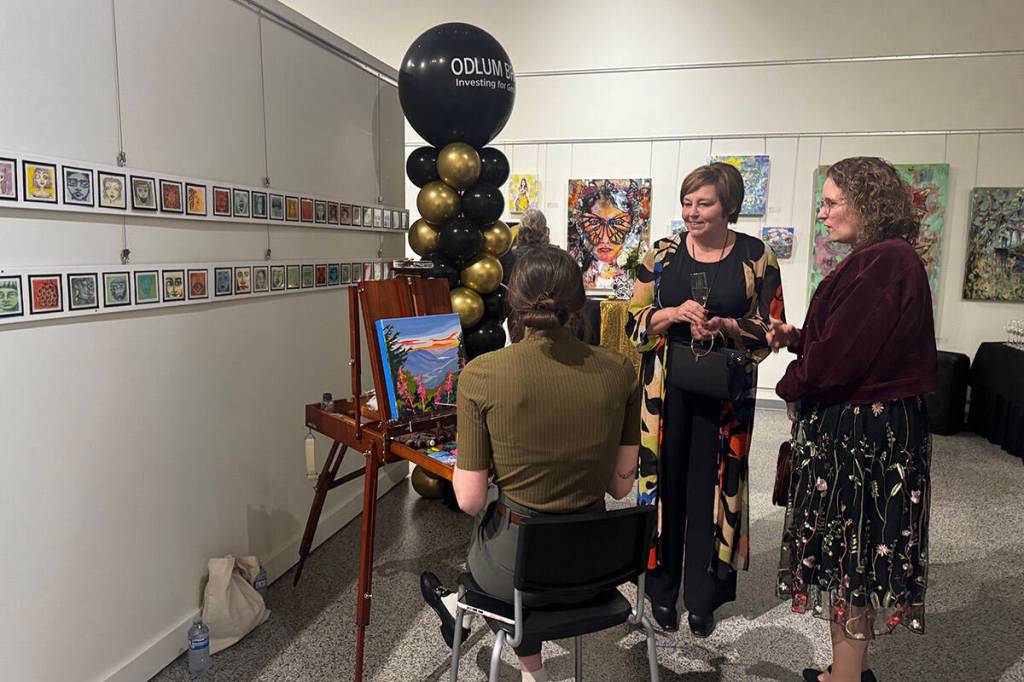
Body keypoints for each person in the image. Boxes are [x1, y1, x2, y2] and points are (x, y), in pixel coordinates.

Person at [420, 245, 641, 682]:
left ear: (511, 303)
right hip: (599, 568)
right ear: (580, 303)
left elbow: (467, 500)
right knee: (517, 546)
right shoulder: (620, 371)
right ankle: (475, 623)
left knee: (496, 541)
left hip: (517, 570)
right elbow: (620, 489)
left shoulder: (482, 375)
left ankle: (477, 624)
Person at [770, 157, 937, 682]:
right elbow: (852, 338)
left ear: (868, 204)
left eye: (832, 202)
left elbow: (841, 358)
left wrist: (790, 382)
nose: (822, 214)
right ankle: (845, 672)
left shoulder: (885, 261)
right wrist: (797, 338)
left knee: (851, 552)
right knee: (855, 554)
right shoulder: (882, 259)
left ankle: (844, 677)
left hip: (863, 435)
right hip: (866, 428)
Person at [625, 162, 785, 636]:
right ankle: (661, 589)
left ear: (729, 207)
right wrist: (670, 313)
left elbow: (772, 329)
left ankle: (703, 597)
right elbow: (632, 320)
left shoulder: (758, 257)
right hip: (664, 392)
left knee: (714, 489)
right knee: (664, 484)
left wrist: (729, 326)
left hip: (725, 395)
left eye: (704, 203)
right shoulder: (661, 254)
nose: (692, 213)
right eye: (687, 202)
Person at [499, 208, 549, 286]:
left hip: (517, 297)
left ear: (520, 230)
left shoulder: (509, 257)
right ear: (545, 229)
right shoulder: (556, 257)